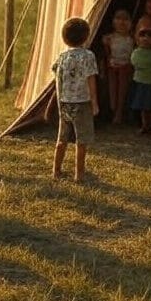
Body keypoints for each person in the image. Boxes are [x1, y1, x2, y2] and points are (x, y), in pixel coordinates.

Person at [50, 17, 99, 182]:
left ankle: (56, 171)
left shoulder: (62, 56)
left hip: (65, 103)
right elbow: (91, 79)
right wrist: (94, 102)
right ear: (86, 36)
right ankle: (79, 174)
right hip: (82, 103)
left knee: (62, 139)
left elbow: (55, 72)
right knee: (81, 140)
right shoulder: (88, 56)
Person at [130, 21, 151, 137]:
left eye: (150, 35)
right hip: (140, 82)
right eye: (142, 35)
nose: (146, 38)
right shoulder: (136, 53)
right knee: (142, 107)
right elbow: (136, 63)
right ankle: (144, 126)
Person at [101, 9, 133, 125]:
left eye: (125, 20)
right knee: (113, 89)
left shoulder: (131, 39)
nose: (122, 23)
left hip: (126, 67)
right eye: (118, 19)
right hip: (112, 68)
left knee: (122, 88)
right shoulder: (109, 38)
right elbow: (107, 55)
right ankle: (112, 109)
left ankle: (119, 112)